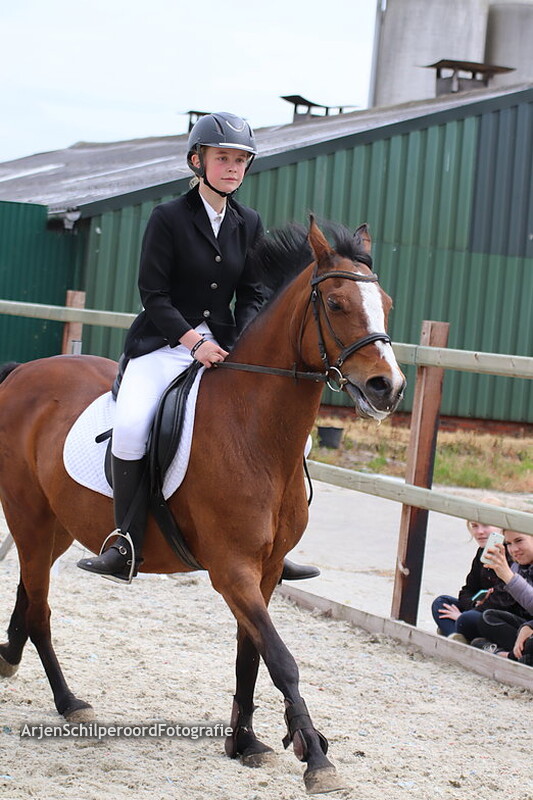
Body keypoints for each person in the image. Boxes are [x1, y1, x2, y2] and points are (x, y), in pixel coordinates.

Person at [77, 112, 319, 584]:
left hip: (225, 348)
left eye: (240, 160)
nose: (232, 167)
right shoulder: (167, 218)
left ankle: (275, 540)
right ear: (197, 160)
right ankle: (124, 541)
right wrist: (194, 341)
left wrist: (243, 341)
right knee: (130, 428)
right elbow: (154, 295)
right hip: (163, 345)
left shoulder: (248, 221)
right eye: (222, 158)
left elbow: (251, 292)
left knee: (298, 436)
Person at [431, 507, 508, 643]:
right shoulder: (481, 553)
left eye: (486, 525)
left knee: (468, 619)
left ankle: (456, 631)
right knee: (441, 602)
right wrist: (473, 605)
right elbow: (467, 590)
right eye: (474, 526)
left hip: (497, 616)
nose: (479, 532)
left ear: (501, 527)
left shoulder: (511, 555)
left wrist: (464, 615)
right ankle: (459, 634)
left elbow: (504, 600)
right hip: (477, 610)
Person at [470, 527, 533, 665]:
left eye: (519, 541)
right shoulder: (517, 566)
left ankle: (504, 655)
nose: (514, 549)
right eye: (509, 543)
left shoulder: (510, 570)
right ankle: (517, 655)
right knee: (487, 617)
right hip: (525, 626)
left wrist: (509, 577)